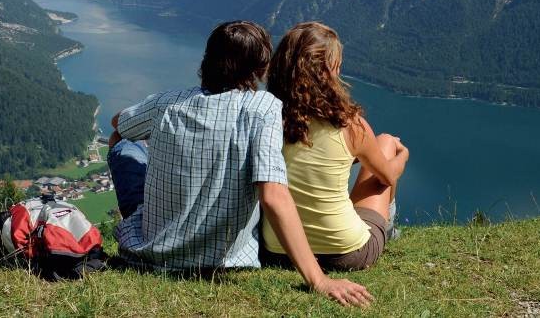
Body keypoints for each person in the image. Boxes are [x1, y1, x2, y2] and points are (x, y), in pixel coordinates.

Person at [107, 20, 371, 307]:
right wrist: (319, 280)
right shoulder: (263, 107)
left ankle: (149, 220)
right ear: (259, 70)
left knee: (123, 142)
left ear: (207, 61)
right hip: (226, 260)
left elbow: (119, 124)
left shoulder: (166, 103)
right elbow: (273, 195)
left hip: (152, 253)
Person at [260, 22, 409, 272]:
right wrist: (402, 154)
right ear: (329, 71)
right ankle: (388, 229)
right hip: (347, 253)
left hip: (278, 252)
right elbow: (388, 175)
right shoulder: (349, 125)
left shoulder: (265, 118)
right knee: (385, 142)